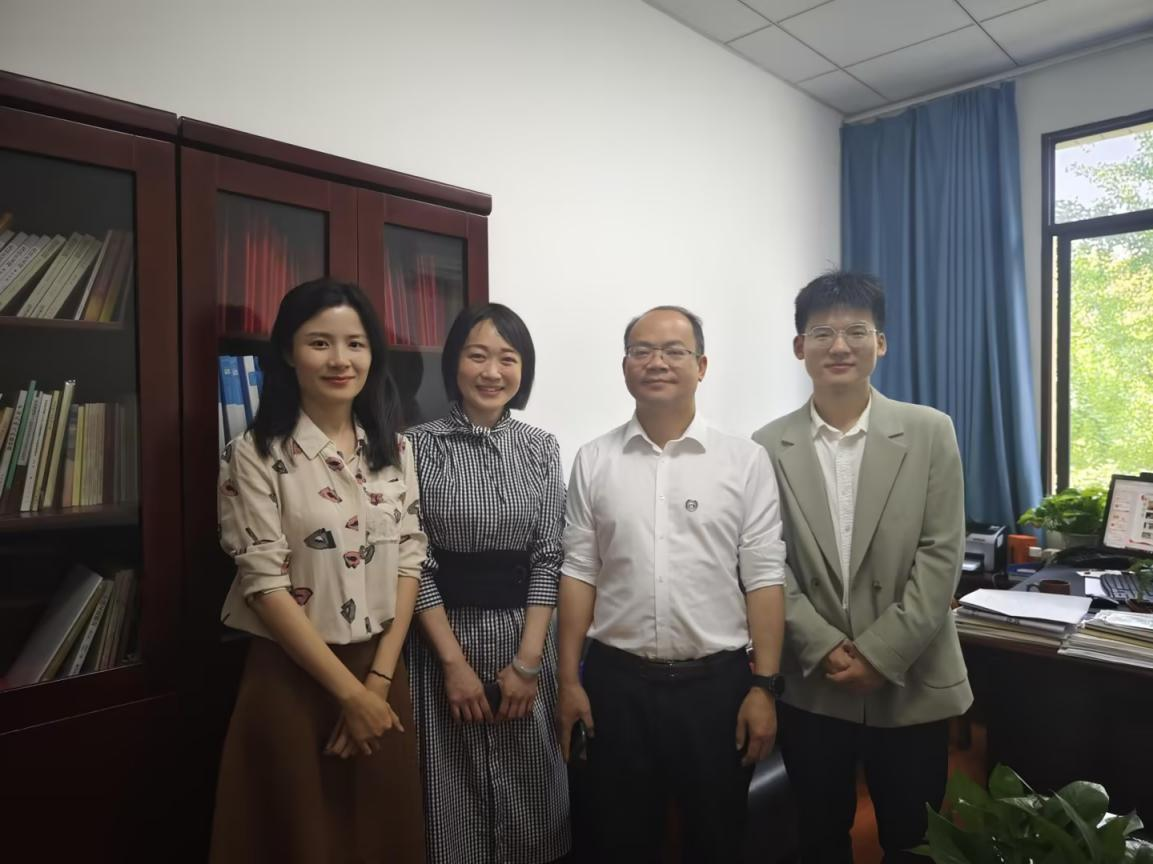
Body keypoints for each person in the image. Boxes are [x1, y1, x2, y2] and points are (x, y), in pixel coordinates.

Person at [752, 271, 972, 864]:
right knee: (819, 837)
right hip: (813, 685)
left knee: (913, 840)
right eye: (822, 333)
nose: (839, 346)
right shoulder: (766, 446)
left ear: (881, 343)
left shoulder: (930, 431)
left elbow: (941, 552)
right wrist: (823, 645)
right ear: (799, 346)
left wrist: (881, 653)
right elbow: (767, 560)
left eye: (856, 331)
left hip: (912, 679)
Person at [556, 305, 787, 863]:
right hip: (616, 686)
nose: (656, 362)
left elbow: (763, 578)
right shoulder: (594, 459)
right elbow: (580, 571)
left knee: (718, 839)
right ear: (625, 366)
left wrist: (764, 687)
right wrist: (567, 679)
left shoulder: (744, 461)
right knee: (616, 841)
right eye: (642, 351)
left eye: (674, 351)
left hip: (716, 689)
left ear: (701, 366)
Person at [210, 278, 426, 863]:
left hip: (380, 672)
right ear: (288, 352)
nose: (340, 360)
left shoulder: (395, 451)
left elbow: (409, 560)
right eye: (319, 343)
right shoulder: (254, 454)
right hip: (291, 678)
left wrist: (376, 684)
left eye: (355, 344)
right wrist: (349, 695)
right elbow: (264, 584)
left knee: (380, 839)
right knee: (298, 841)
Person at [406, 303, 571, 864]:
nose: (492, 371)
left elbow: (549, 556)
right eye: (477, 355)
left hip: (526, 639)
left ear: (524, 369)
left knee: (532, 788)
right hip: (441, 644)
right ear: (455, 362)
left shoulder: (541, 447)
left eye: (508, 358)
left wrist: (527, 665)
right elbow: (415, 562)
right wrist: (453, 665)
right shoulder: (415, 447)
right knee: (450, 792)